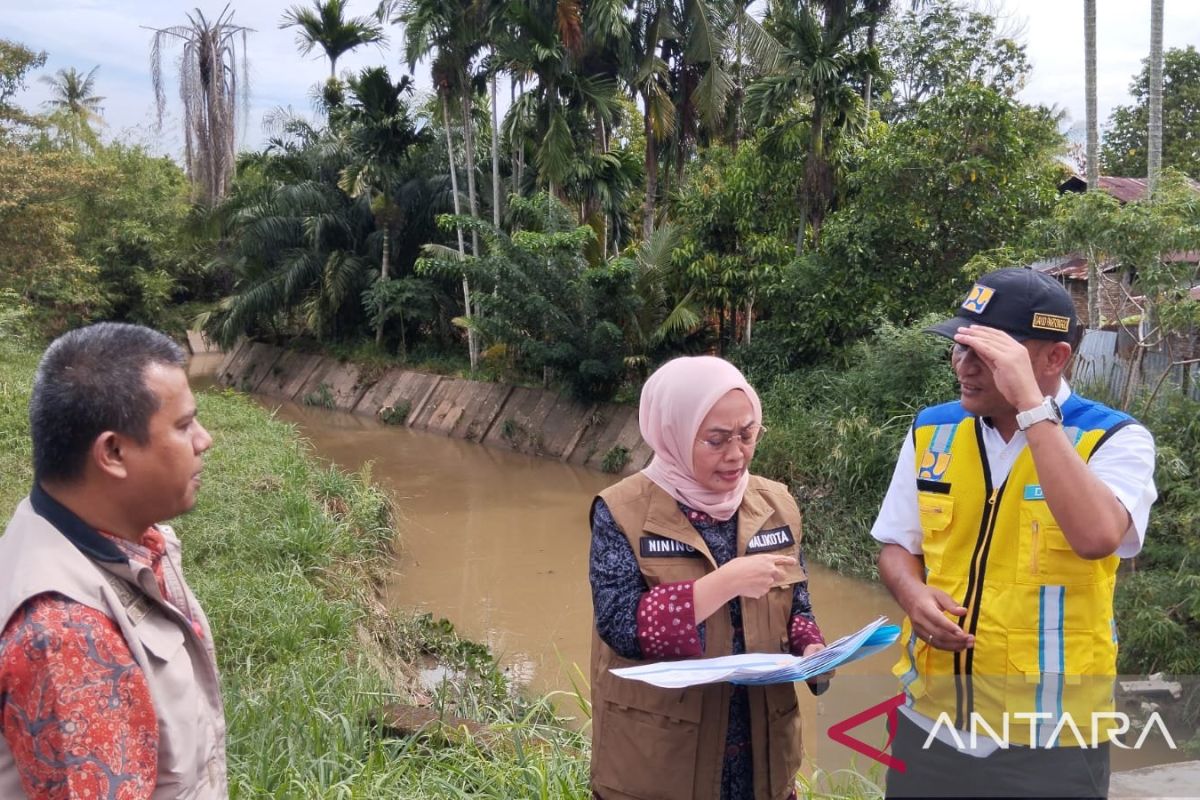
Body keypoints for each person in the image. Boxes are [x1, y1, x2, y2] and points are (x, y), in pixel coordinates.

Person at [871, 268, 1157, 798]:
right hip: (930, 724)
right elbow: (896, 546)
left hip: (1053, 743)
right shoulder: (932, 430)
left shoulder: (1113, 439)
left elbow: (1097, 536)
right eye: (960, 348)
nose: (965, 366)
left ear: (1054, 359)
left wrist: (1032, 411)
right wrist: (913, 595)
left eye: (990, 353)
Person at [0, 322, 228, 799]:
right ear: (114, 452)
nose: (204, 440)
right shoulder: (66, 636)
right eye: (184, 425)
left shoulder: (120, 543)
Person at [589, 356, 828, 800]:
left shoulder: (776, 504)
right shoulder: (622, 511)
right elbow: (620, 624)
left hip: (760, 752)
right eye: (716, 440)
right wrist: (724, 583)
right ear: (674, 434)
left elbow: (796, 604)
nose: (736, 454)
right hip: (662, 758)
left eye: (747, 433)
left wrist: (812, 647)